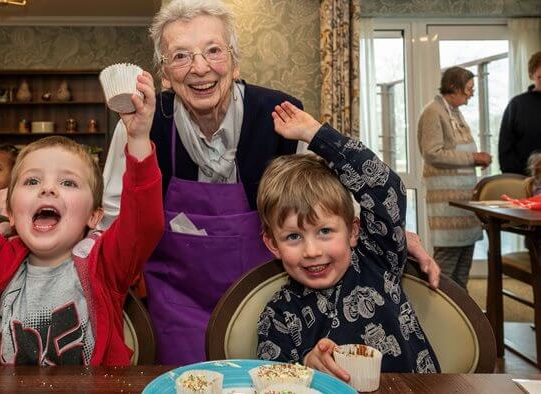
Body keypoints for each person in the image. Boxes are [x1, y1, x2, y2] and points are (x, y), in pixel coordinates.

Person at [101, 0, 439, 365]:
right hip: (177, 308)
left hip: (273, 301)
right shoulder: (141, 124)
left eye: (213, 51)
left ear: (235, 59)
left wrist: (390, 235)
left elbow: (328, 200)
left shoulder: (281, 114)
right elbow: (115, 220)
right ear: (165, 73)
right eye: (181, 56)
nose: (200, 68)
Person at [0, 71, 163, 366]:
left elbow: (145, 223)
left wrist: (138, 138)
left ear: (94, 216)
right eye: (32, 182)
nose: (48, 188)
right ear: (9, 212)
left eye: (68, 183)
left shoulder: (106, 264)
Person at [256, 101, 440, 376]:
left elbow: (385, 188)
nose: (312, 251)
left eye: (325, 231)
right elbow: (269, 379)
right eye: (293, 236)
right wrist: (306, 365)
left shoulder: (378, 257)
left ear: (354, 231)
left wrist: (317, 135)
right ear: (273, 244)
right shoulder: (279, 313)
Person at [417, 66, 491, 289]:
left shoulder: (454, 112)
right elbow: (432, 153)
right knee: (446, 267)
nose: (471, 94)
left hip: (464, 203)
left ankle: (462, 315)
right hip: (447, 206)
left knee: (463, 263)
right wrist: (472, 157)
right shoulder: (433, 112)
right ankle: (442, 317)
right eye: (468, 88)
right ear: (453, 87)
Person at [499, 51, 541, 175]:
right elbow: (505, 148)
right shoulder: (517, 105)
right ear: (531, 76)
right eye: (540, 77)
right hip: (524, 180)